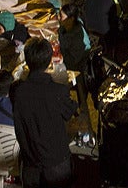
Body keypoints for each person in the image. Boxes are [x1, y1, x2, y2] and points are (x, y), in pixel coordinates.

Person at [12, 38, 78, 188]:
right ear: (50, 63)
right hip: (56, 163)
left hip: (30, 163)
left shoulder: (17, 92)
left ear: (27, 63)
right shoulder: (57, 91)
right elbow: (71, 111)